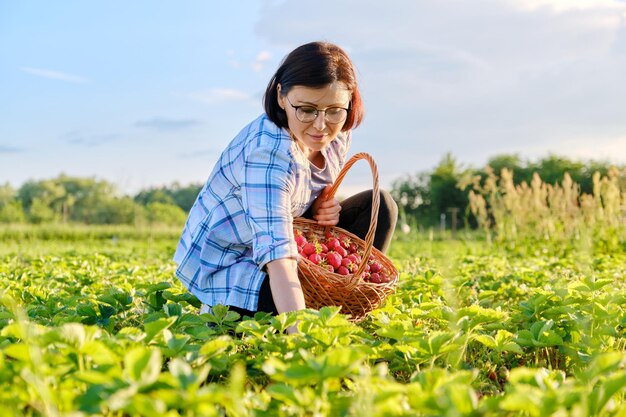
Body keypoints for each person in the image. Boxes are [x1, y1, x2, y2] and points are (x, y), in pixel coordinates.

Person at [173, 41, 397, 333]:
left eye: (334, 110)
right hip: (234, 262)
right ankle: (225, 311)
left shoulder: (338, 130)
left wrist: (320, 204)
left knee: (379, 205)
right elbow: (278, 256)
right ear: (281, 96)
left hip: (292, 243)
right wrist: (302, 343)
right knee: (283, 302)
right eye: (306, 110)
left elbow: (311, 184)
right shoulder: (268, 154)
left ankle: (336, 303)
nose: (320, 125)